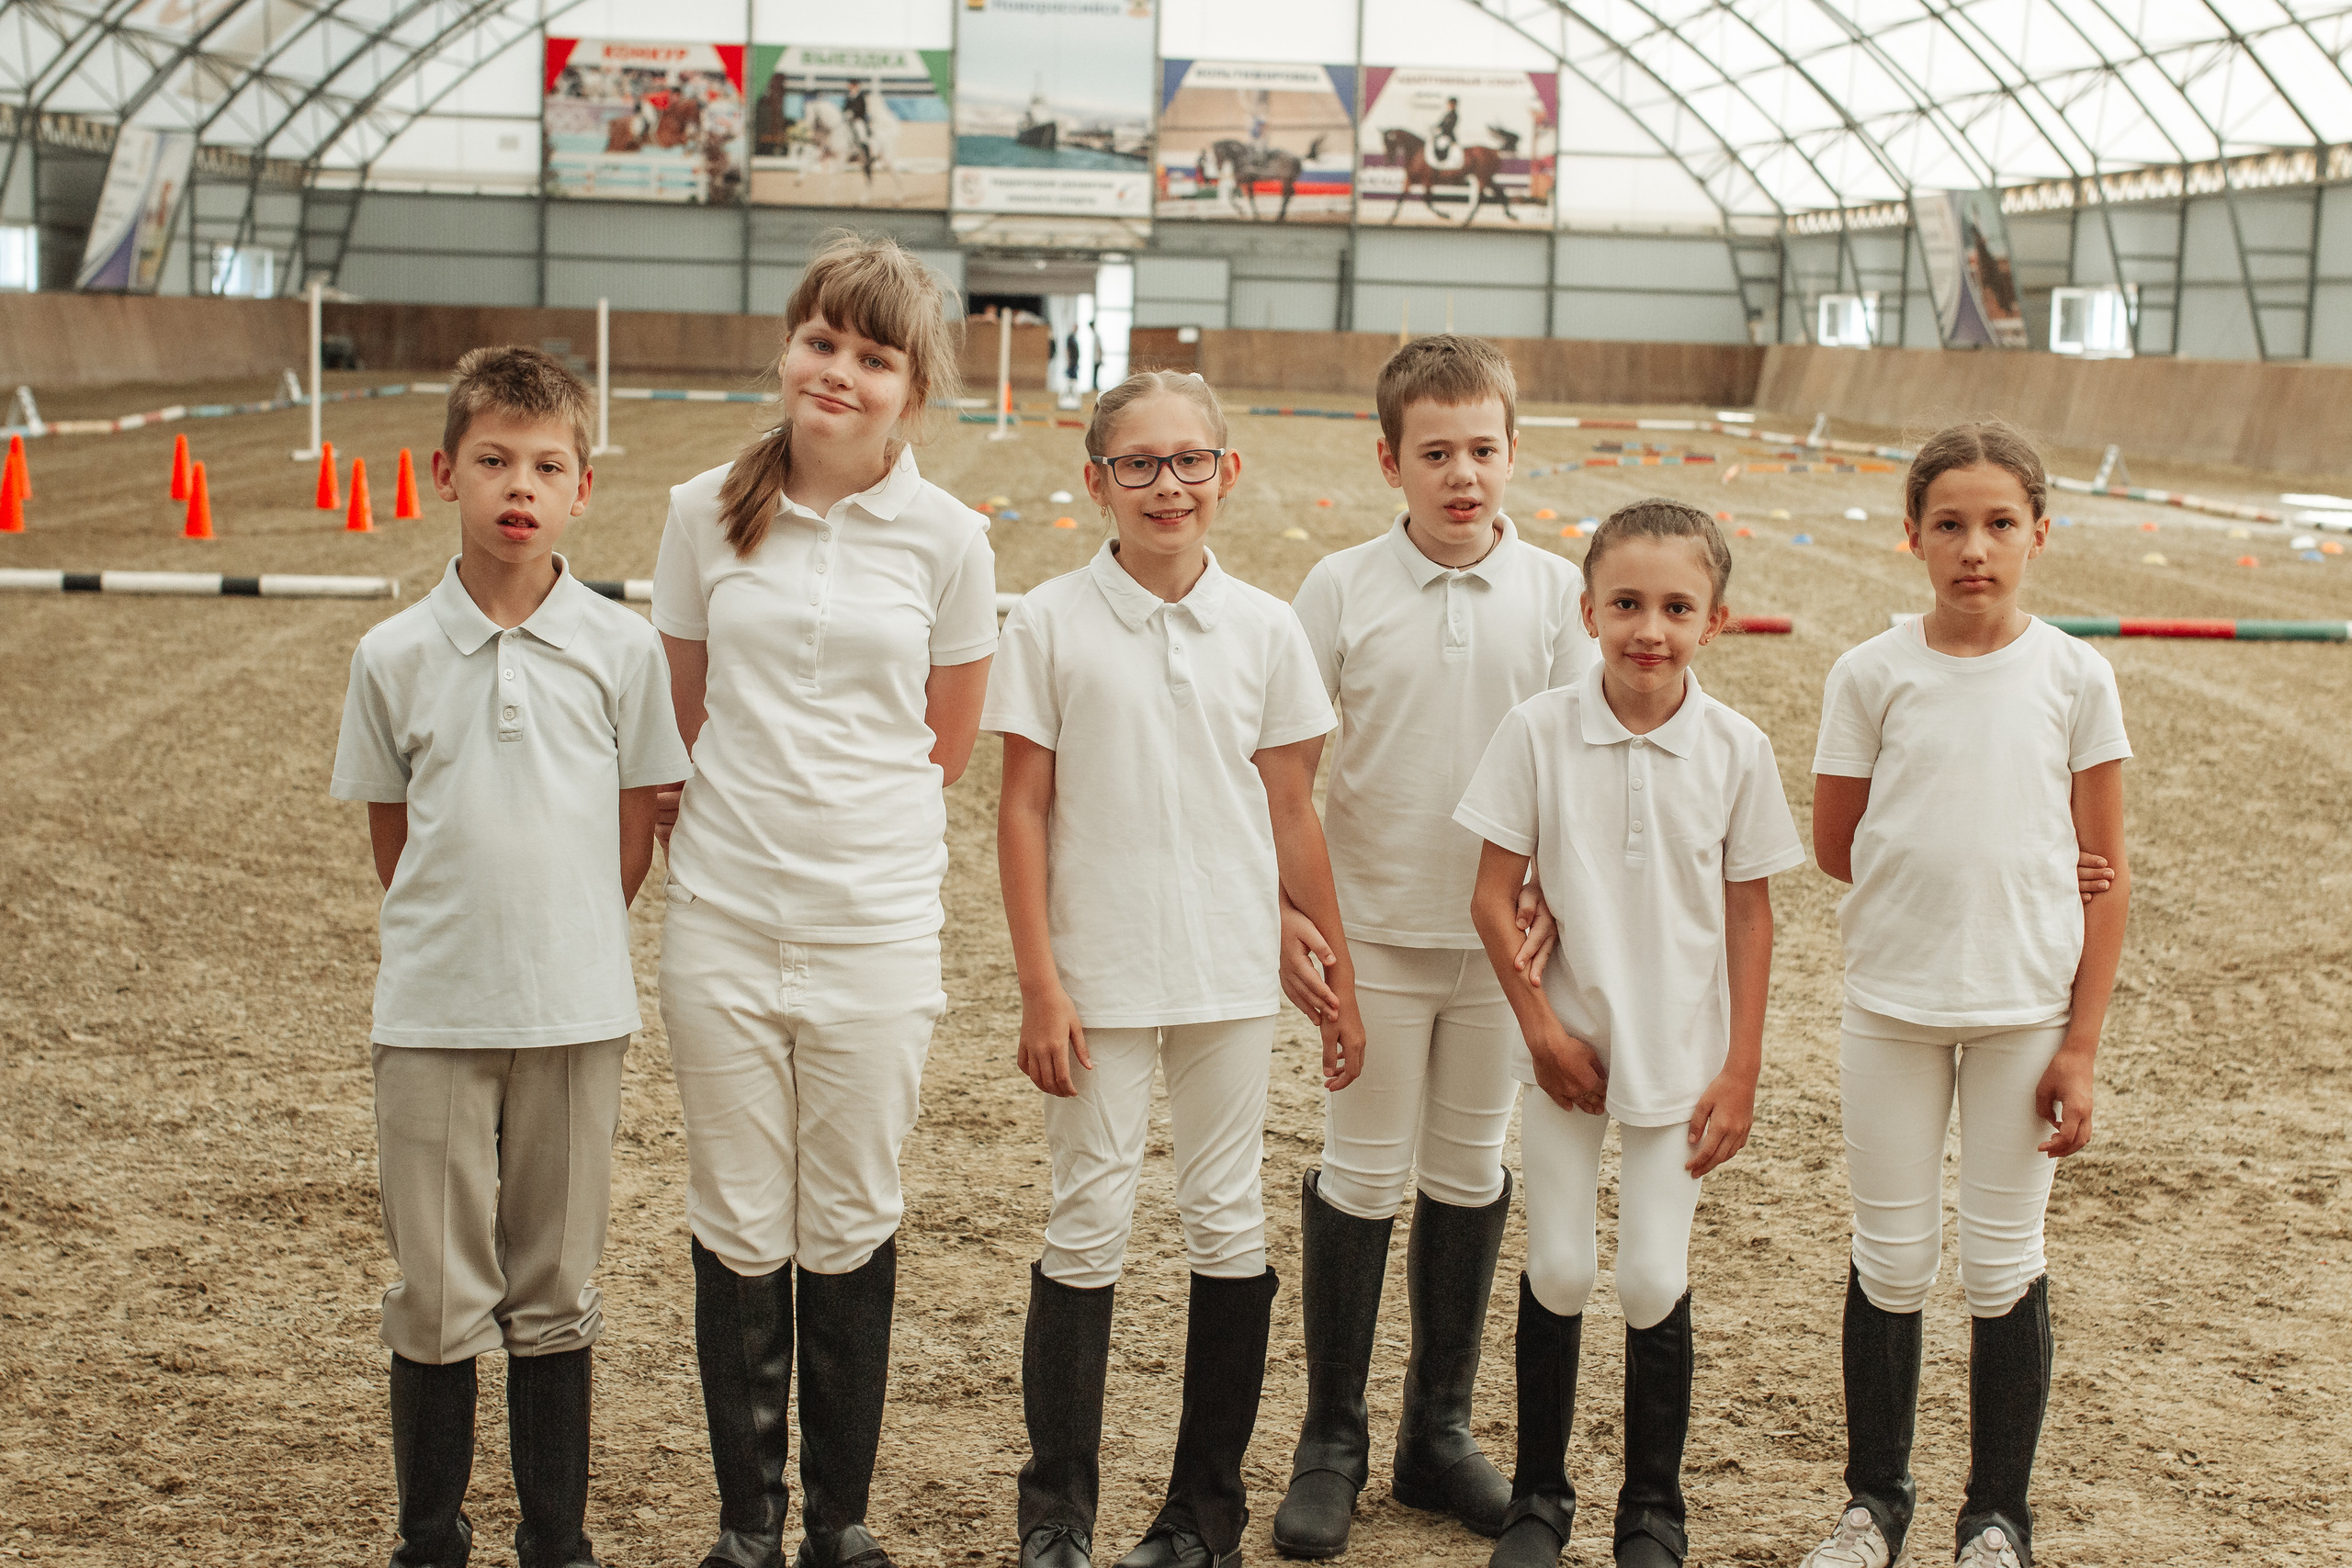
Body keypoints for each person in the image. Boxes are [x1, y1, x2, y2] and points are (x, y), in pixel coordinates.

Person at [650, 233, 994, 1568]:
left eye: (872, 356)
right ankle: (748, 1524)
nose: (838, 371)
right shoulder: (700, 512)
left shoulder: (951, 538)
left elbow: (944, 744)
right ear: (789, 348)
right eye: (820, 341)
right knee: (737, 1216)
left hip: (876, 931)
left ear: (914, 389)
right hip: (722, 922)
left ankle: (838, 1524)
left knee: (850, 1214)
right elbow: (681, 715)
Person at [986, 369, 1365, 1568]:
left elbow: (1289, 807)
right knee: (1087, 1215)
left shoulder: (1265, 628)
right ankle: (1057, 1512)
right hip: (1096, 970)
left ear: (1225, 472)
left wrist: (1332, 959)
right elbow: (1023, 807)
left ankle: (1204, 1516)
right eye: (1139, 463)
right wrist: (1041, 982)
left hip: (1228, 968)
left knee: (1224, 1213)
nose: (1167, 484)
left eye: (1188, 460)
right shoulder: (1049, 620)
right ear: (1095, 480)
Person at [331, 345, 691, 1568]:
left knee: (554, 1285)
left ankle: (556, 1537)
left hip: (576, 1011)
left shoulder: (623, 651)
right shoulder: (391, 656)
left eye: (545, 466)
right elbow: (395, 838)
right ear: (445, 474)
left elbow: (636, 830)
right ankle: (430, 1537)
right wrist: (468, 931)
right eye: (493, 461)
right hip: (433, 1011)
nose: (518, 487)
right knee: (437, 1291)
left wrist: (564, 933)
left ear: (583, 488)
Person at [1269, 333, 1594, 1559]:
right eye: (1436, 453)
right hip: (1375, 936)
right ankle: (1330, 1441)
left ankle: (1437, 1432)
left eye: (1483, 451)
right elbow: (1288, 770)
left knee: (1466, 1169)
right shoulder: (1339, 587)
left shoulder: (1557, 592)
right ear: (1389, 461)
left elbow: (1577, 758)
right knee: (1361, 1174)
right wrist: (1296, 913)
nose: (1463, 475)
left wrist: (1552, 891)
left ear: (1513, 452)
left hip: (1499, 951)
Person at [1797, 423, 2130, 1568]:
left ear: (2039, 533)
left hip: (2024, 1013)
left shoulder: (2076, 678)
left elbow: (2107, 873)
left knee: (2001, 1262)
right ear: (1912, 537)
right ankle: (1872, 1507)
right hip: (1891, 1004)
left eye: (1998, 524)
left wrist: (2080, 1044)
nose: (1973, 549)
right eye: (1949, 525)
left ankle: (1995, 1518)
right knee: (1890, 1256)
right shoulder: (1869, 674)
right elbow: (1835, 845)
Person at [1458, 499, 1806, 1568]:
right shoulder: (1537, 731)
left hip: (1682, 1059)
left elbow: (1750, 914)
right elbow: (1491, 896)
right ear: (1588, 612)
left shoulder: (1737, 750)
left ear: (1716, 620)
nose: (1648, 630)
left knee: (1652, 1277)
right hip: (1568, 1049)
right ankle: (1538, 1497)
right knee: (1560, 1265)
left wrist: (1740, 1068)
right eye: (1625, 605)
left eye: (1675, 608)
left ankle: (1652, 1508)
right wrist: (1541, 1032)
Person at [1431, 97, 1461, 163]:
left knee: (1441, 143)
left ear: (1454, 105)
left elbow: (1449, 127)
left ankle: (1442, 159)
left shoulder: (1454, 115)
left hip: (1448, 135)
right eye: (1449, 104)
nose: (1450, 105)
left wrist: (1441, 130)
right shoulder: (1447, 114)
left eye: (1452, 104)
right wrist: (1435, 127)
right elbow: (1441, 123)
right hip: (1443, 134)